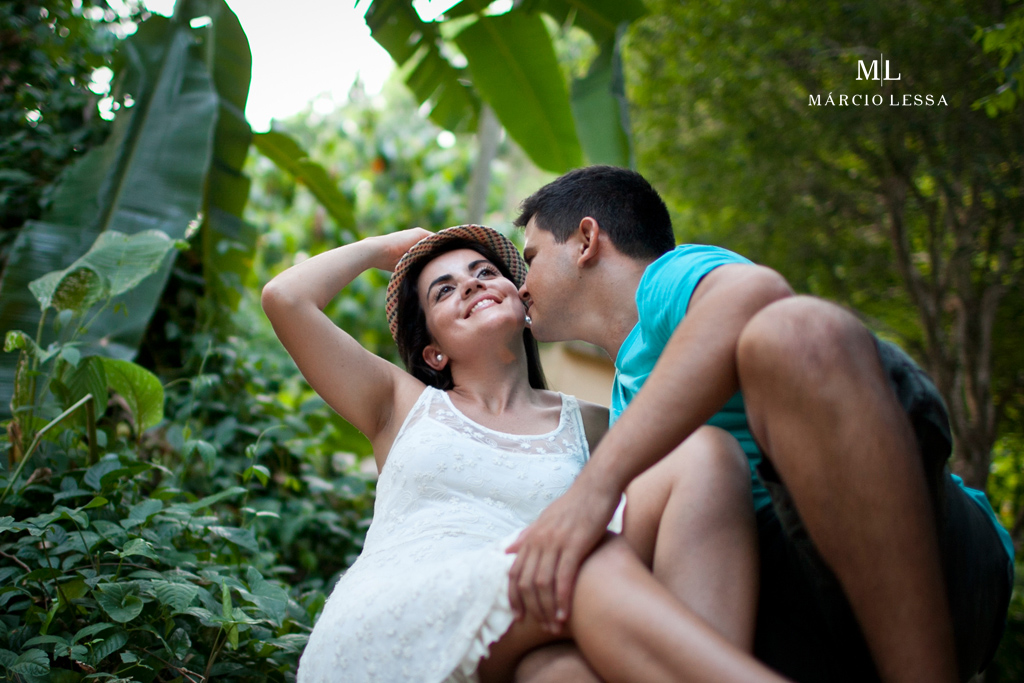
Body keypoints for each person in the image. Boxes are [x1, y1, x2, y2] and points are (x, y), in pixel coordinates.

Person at [506, 165, 1015, 683]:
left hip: (921, 556)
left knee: (792, 330)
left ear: (587, 240)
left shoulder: (667, 278)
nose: (521, 286)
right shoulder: (621, 400)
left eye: (532, 257)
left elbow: (756, 293)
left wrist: (596, 488)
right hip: (782, 606)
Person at [261, 225, 785, 683]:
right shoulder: (398, 405)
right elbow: (286, 299)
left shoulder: (595, 424)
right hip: (398, 615)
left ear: (522, 300)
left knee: (704, 452)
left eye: (485, 272)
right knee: (585, 563)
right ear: (433, 353)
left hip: (533, 628)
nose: (471, 284)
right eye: (444, 291)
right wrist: (391, 249)